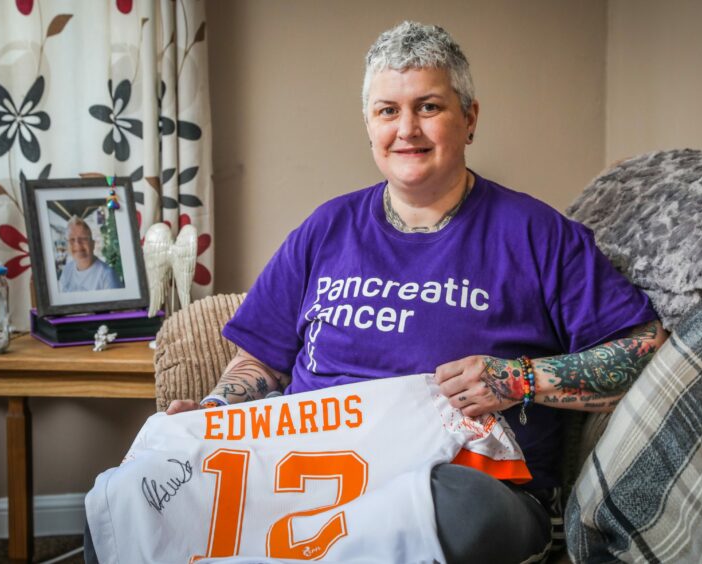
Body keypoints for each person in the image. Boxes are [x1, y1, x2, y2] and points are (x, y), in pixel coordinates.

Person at [157, 21, 666, 563]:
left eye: (428, 107)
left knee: (451, 513)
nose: (407, 130)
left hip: (463, 484)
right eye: (388, 111)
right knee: (139, 491)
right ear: (369, 125)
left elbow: (642, 351)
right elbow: (259, 361)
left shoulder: (536, 233)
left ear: (469, 118)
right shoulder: (326, 228)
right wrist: (212, 413)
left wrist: (520, 378)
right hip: (310, 477)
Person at [58, 216, 122, 292]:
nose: (77, 244)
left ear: (93, 244)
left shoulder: (107, 276)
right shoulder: (66, 270)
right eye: (72, 239)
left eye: (83, 239)